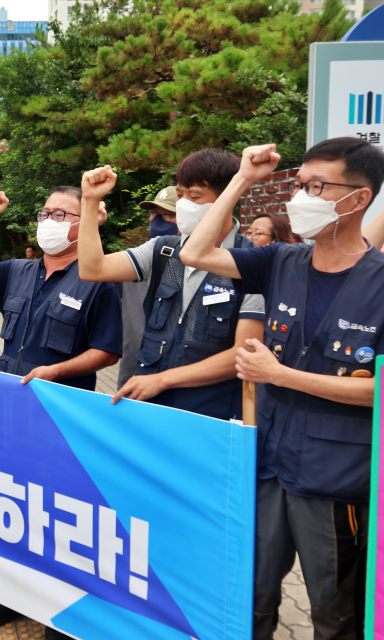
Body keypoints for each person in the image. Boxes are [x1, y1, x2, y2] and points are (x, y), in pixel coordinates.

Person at [178, 139, 384, 640]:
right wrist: (243, 178)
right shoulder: (282, 261)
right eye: (298, 185)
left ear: (357, 199)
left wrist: (281, 375)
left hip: (334, 481)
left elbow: (377, 391)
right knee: (249, 597)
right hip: (268, 467)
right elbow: (195, 252)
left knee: (335, 613)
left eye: (316, 187)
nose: (300, 198)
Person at [0, 187, 121, 633]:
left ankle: (60, 608)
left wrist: (57, 370)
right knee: (13, 505)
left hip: (61, 414)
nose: (49, 220)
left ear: (85, 222)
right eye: (45, 212)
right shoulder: (19, 271)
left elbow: (107, 351)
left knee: (55, 513)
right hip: (11, 410)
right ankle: (15, 595)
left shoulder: (98, 279)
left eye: (61, 214)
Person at [77, 150, 265, 422]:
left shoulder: (250, 263)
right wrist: (90, 201)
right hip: (148, 407)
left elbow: (243, 352)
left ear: (228, 197)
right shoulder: (163, 251)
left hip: (208, 418)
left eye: (195, 196)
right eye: (180, 195)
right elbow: (92, 269)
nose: (184, 204)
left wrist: (164, 380)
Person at [118, 186, 178, 387]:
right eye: (154, 213)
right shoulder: (135, 261)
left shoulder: (201, 267)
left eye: (168, 215)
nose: (158, 221)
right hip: (131, 376)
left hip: (172, 383)